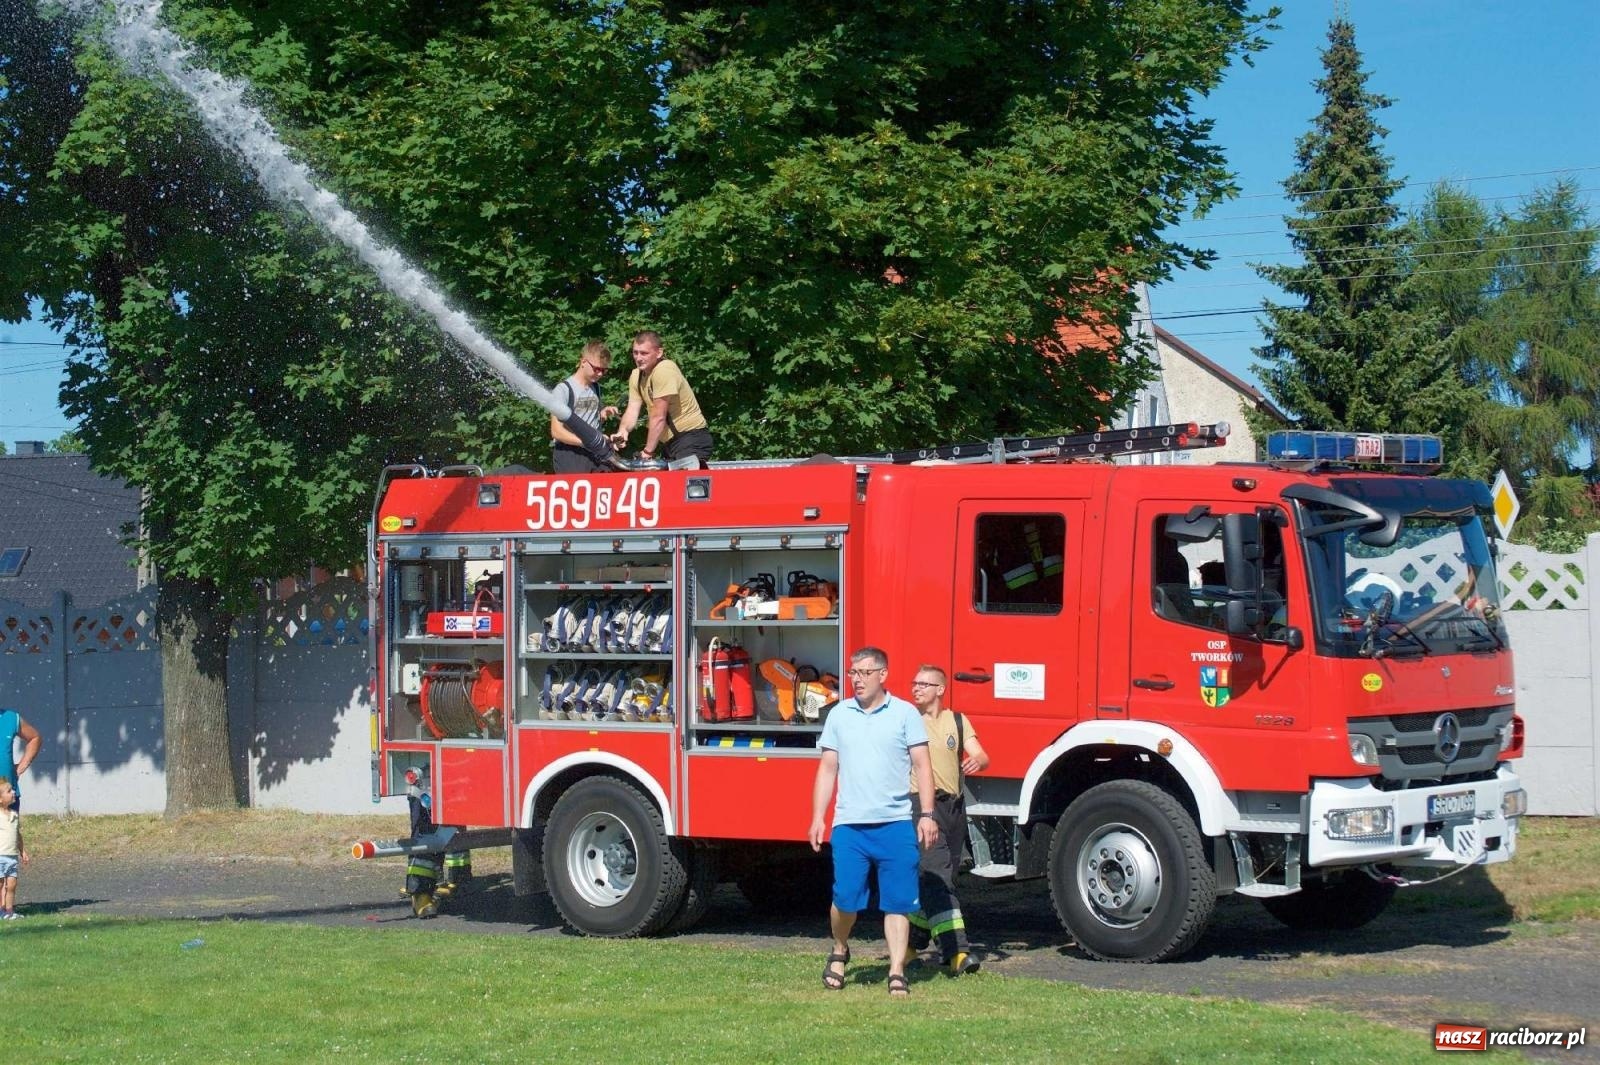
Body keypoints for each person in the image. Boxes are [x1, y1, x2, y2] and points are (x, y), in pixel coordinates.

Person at [808, 646, 938, 998]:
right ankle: (839, 949)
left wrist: (927, 814)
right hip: (850, 825)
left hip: (895, 824)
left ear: (883, 674)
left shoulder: (905, 714)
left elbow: (923, 766)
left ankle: (896, 971)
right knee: (845, 900)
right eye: (853, 673)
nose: (857, 679)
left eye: (865, 673)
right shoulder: (839, 715)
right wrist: (818, 817)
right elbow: (828, 769)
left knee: (898, 903)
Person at [906, 665, 988, 975]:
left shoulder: (958, 721)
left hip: (954, 807)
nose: (916, 688)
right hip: (922, 806)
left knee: (942, 879)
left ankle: (908, 946)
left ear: (940, 690)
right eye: (915, 683)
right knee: (937, 874)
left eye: (924, 684)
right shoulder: (908, 722)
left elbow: (982, 755)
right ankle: (957, 952)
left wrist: (977, 760)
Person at [610, 331, 713, 468]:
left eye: (644, 353)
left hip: (692, 438)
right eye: (635, 353)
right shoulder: (636, 375)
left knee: (683, 481)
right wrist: (623, 431)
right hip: (671, 443)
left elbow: (658, 417)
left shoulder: (664, 370)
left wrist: (647, 452)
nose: (638, 358)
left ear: (659, 353)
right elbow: (632, 409)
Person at [550, 340, 621, 473]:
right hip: (570, 452)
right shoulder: (563, 390)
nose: (600, 374)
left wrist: (602, 413)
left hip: (593, 451)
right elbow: (556, 431)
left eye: (604, 370)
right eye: (597, 369)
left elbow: (587, 419)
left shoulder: (596, 387)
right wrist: (586, 442)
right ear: (583, 362)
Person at [0, 708, 41, 811]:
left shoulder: (11, 718)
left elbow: (34, 738)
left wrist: (20, 768)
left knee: (9, 822)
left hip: (7, 798)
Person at [0, 778, 26, 919]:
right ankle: (1, 911)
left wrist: (22, 851)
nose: (13, 792)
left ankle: (9, 912)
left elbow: (17, 835)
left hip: (12, 857)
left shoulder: (14, 815)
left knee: (12, 885)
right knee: (0, 885)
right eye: (9, 791)